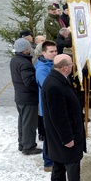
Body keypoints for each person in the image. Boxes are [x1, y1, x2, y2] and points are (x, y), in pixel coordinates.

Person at [41, 54, 91, 181]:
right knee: (72, 164)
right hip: (64, 134)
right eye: (71, 64)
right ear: (65, 67)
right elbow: (58, 116)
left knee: (58, 161)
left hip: (59, 134)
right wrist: (67, 138)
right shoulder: (54, 85)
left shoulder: (57, 79)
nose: (73, 66)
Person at [10, 38, 42, 155]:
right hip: (28, 98)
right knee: (29, 123)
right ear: (25, 49)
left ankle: (22, 143)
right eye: (28, 47)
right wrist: (38, 89)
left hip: (19, 96)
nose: (30, 48)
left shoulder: (14, 60)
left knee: (22, 121)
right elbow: (28, 81)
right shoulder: (24, 63)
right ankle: (28, 147)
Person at [35, 41, 58, 171]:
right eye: (51, 51)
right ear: (44, 53)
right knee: (50, 137)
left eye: (55, 51)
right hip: (47, 107)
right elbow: (48, 88)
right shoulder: (42, 69)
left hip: (53, 106)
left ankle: (53, 158)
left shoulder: (52, 64)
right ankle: (48, 162)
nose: (54, 53)